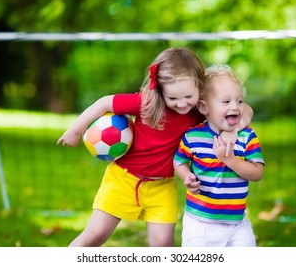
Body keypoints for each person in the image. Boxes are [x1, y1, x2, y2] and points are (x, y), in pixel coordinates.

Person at [57, 48, 252, 247]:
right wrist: (76, 130)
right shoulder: (146, 102)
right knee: (95, 234)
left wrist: (232, 129)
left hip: (162, 187)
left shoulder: (199, 110)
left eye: (188, 96)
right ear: (160, 90)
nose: (182, 104)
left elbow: (246, 109)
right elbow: (105, 103)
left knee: (163, 245)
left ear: (199, 88)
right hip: (123, 180)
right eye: (173, 98)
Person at [173, 64, 265, 247]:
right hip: (200, 223)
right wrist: (187, 177)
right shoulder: (193, 136)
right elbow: (179, 161)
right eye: (226, 102)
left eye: (239, 101)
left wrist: (229, 160)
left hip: (237, 224)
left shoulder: (247, 136)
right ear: (204, 108)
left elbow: (257, 173)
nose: (235, 107)